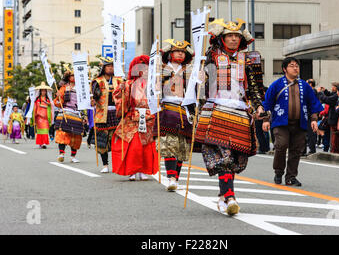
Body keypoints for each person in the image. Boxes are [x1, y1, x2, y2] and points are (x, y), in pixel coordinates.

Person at [194, 18, 265, 216]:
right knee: (224, 155)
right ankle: (230, 197)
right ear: (222, 38)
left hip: (241, 111)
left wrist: (259, 106)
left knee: (235, 157)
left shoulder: (250, 58)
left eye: (236, 36)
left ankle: (223, 194)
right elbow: (200, 85)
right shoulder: (211, 56)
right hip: (217, 109)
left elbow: (255, 87)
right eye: (229, 36)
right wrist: (198, 78)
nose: (233, 39)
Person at [263, 57, 323, 187]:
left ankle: (291, 177)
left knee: (296, 150)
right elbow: (267, 103)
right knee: (281, 145)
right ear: (285, 69)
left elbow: (313, 103)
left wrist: (313, 119)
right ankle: (278, 172)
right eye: (291, 65)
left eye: (297, 66)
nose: (295, 68)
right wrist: (266, 120)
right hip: (280, 122)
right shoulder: (276, 84)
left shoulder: (305, 86)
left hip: (300, 122)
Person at [153, 39, 195, 191]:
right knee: (168, 144)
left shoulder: (190, 70)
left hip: (184, 109)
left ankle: (175, 178)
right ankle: (171, 177)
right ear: (170, 54)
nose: (180, 54)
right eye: (177, 51)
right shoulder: (160, 68)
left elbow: (198, 89)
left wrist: (202, 79)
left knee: (181, 146)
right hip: (166, 108)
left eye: (183, 52)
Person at [111, 55, 159, 181]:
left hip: (149, 117)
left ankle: (143, 170)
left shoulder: (153, 84)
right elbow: (119, 98)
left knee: (147, 145)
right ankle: (132, 170)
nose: (145, 69)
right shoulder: (128, 84)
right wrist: (120, 91)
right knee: (133, 145)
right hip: (132, 117)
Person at [90, 57, 121, 173]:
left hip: (117, 113)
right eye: (108, 66)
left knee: (117, 139)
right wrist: (96, 93)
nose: (110, 68)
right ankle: (105, 165)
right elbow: (95, 96)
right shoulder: (97, 81)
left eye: (112, 66)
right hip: (102, 113)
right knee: (103, 140)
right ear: (103, 68)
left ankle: (117, 164)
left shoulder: (119, 80)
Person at [53, 64, 85, 163]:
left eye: (75, 75)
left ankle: (73, 156)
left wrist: (85, 115)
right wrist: (58, 97)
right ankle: (61, 154)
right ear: (68, 77)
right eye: (72, 76)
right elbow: (58, 103)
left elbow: (84, 103)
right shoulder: (63, 88)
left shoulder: (82, 88)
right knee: (62, 133)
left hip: (76, 113)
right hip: (66, 112)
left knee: (76, 135)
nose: (74, 78)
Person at [317, 82, 339, 154]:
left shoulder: (336, 96)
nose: (332, 88)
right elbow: (330, 95)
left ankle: (333, 150)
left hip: (333, 119)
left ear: (336, 88)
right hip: (331, 118)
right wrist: (325, 91)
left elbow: (327, 99)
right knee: (332, 136)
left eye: (333, 86)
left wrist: (320, 93)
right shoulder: (335, 95)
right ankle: (331, 149)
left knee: (334, 136)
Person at [33, 82, 54, 149]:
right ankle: (40, 143)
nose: (43, 92)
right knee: (40, 131)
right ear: (40, 91)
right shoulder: (37, 99)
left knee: (45, 130)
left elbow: (51, 106)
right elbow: (36, 107)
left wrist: (48, 104)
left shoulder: (47, 100)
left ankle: (44, 143)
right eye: (42, 91)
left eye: (44, 91)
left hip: (45, 117)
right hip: (39, 117)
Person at [304, 79, 318, 155]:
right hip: (306, 114)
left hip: (311, 115)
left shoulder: (313, 91)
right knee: (305, 133)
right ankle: (304, 150)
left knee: (310, 133)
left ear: (310, 84)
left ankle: (312, 149)